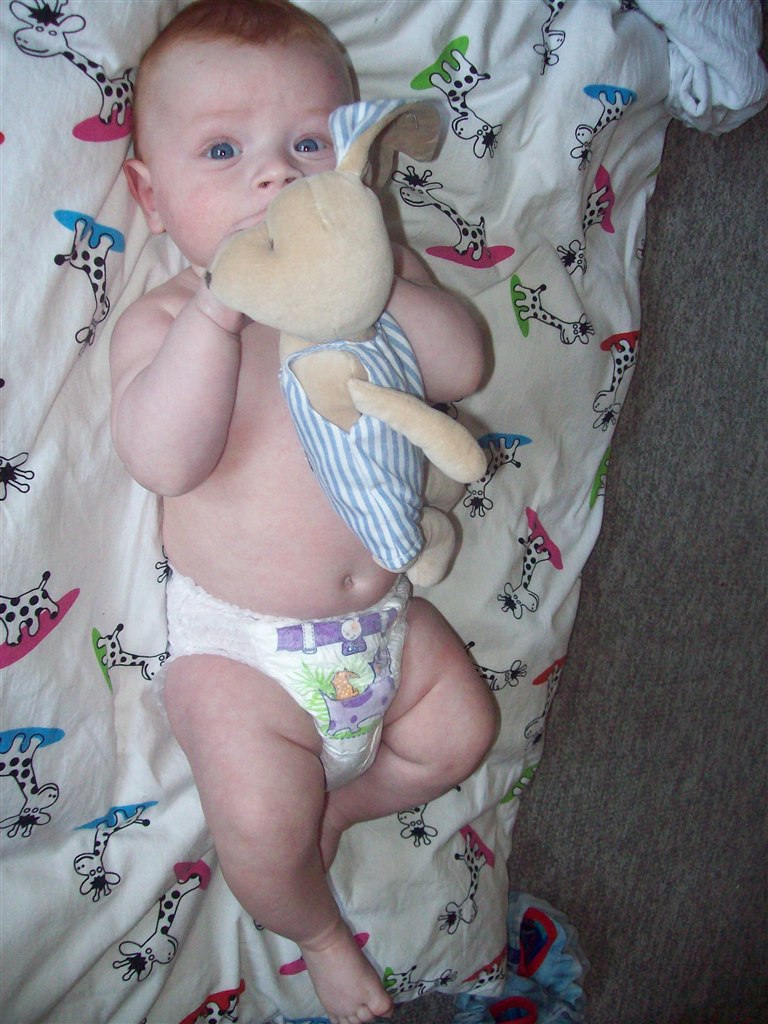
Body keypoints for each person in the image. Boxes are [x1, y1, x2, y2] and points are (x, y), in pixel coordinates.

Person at [110, 2, 498, 1021]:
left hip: (387, 625)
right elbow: (161, 459)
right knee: (257, 827)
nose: (276, 177)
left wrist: (365, 278)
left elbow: (464, 365)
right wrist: (218, 311)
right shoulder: (167, 320)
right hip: (243, 659)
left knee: (463, 731)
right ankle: (322, 934)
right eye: (224, 151)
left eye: (310, 145)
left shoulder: (385, 277)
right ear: (152, 195)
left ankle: (350, 805)